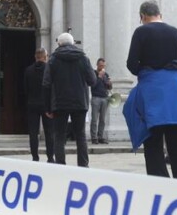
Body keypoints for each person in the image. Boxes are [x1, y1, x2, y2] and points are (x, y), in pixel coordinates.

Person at [123, 0, 177, 180]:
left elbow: (131, 64)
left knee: (153, 143)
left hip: (152, 91)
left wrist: (146, 70)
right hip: (175, 90)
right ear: (160, 15)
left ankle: (160, 184)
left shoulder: (141, 32)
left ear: (142, 16)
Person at [43, 33, 97, 167]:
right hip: (80, 102)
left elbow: (46, 83)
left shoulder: (53, 59)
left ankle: (60, 165)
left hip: (60, 102)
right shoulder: (83, 58)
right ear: (73, 43)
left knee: (59, 135)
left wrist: (47, 107)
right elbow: (92, 80)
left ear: (59, 44)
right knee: (80, 135)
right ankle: (83, 166)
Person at [23, 49, 54, 163]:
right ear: (45, 57)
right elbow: (51, 88)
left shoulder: (28, 70)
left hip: (32, 104)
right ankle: (50, 157)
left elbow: (25, 88)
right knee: (49, 132)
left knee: (33, 132)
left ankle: (35, 157)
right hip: (47, 105)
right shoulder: (49, 70)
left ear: (35, 57)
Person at [89, 57, 112, 144]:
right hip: (96, 98)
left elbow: (109, 87)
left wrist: (109, 83)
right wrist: (99, 77)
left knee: (102, 119)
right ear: (97, 65)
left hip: (105, 98)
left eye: (103, 65)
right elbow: (93, 85)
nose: (102, 67)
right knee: (94, 119)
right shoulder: (93, 73)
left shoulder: (106, 75)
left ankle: (100, 136)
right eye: (101, 65)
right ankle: (94, 138)